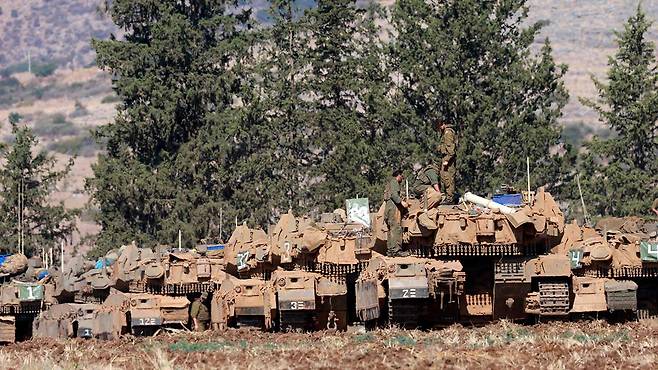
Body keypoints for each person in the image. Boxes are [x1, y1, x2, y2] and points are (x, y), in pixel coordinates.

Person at [384, 169, 409, 257]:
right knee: (396, 228)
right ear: (398, 175)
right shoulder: (394, 182)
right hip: (393, 208)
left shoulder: (390, 183)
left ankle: (391, 251)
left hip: (389, 208)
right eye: (402, 176)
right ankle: (397, 251)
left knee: (391, 229)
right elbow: (394, 195)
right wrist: (402, 203)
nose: (402, 178)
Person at [436, 119, 457, 204]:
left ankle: (450, 198)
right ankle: (447, 197)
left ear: (443, 124)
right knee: (444, 177)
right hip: (445, 158)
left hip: (448, 159)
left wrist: (447, 160)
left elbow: (451, 150)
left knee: (448, 179)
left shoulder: (448, 133)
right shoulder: (444, 132)